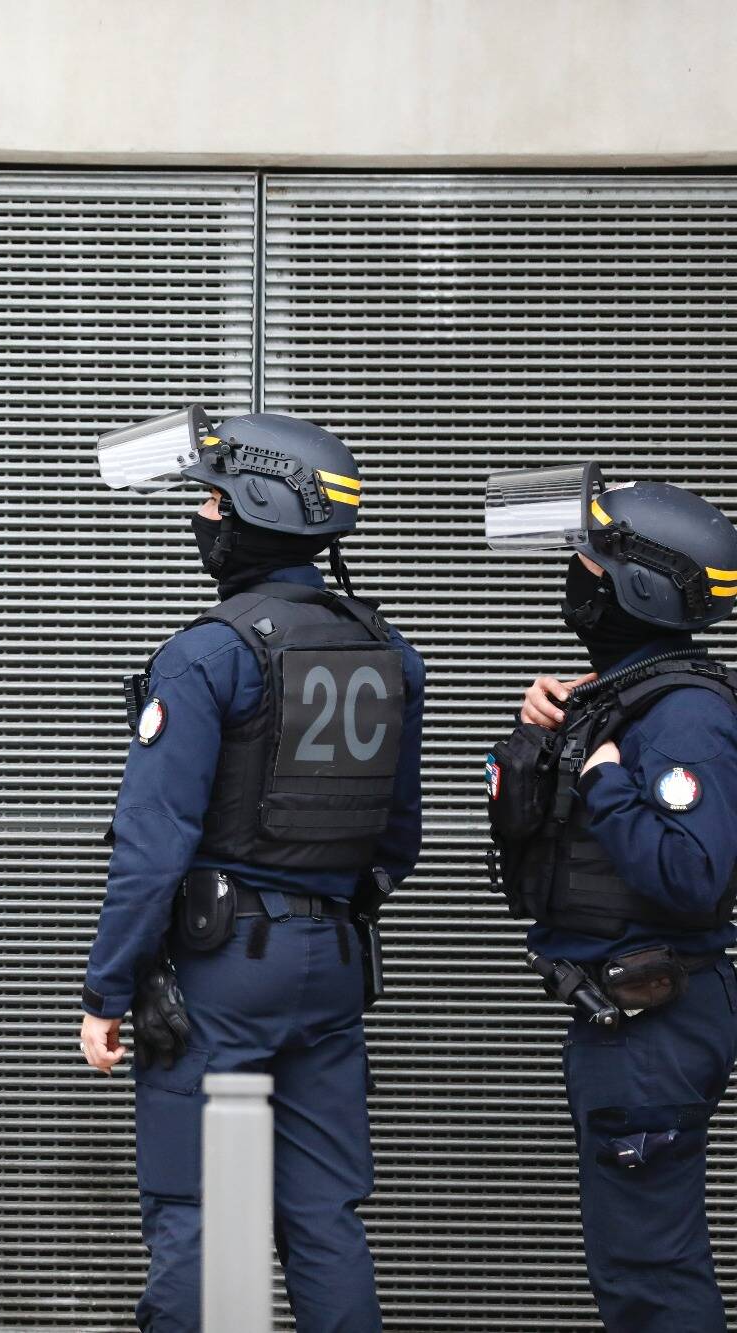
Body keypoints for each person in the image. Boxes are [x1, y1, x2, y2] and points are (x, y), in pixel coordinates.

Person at [80, 408, 425, 1332]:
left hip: (224, 966)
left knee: (204, 1211)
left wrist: (107, 992)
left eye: (213, 499)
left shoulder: (209, 653)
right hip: (335, 962)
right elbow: (399, 840)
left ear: (254, 510)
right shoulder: (389, 652)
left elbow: (151, 845)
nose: (202, 516)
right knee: (322, 1215)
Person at [481, 465, 737, 1331]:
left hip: (657, 1018)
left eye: (589, 563)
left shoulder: (689, 715)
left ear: (639, 585)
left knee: (651, 1274)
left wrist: (606, 781)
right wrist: (547, 733)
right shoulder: (627, 697)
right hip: (622, 1015)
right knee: (633, 1267)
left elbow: (695, 875)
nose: (574, 576)